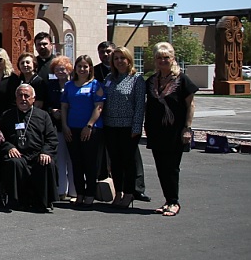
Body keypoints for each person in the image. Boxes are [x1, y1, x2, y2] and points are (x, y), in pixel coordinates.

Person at [145, 41, 197, 217]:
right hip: (156, 131)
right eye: (159, 58)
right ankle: (167, 200)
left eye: (166, 57)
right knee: (161, 168)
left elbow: (190, 105)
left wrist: (187, 128)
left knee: (172, 168)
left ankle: (174, 202)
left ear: (173, 58)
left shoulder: (182, 80)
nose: (162, 61)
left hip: (175, 131)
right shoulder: (152, 80)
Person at [0, 84, 58, 213]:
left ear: (33, 99)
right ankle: (18, 201)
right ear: (15, 98)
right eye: (20, 95)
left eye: (27, 96)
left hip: (37, 154)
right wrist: (9, 147)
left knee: (46, 162)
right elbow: (0, 137)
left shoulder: (43, 115)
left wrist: (45, 152)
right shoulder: (7, 115)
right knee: (13, 162)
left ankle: (42, 202)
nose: (23, 99)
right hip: (18, 154)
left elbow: (52, 138)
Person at [101, 47, 146, 208]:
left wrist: (137, 127)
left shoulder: (136, 79)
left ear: (128, 60)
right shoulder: (109, 78)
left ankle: (129, 193)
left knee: (128, 162)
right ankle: (118, 192)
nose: (119, 61)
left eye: (122, 58)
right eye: (116, 58)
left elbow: (140, 106)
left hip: (128, 127)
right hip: (110, 126)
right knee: (115, 162)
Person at [60, 54, 106, 207]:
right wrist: (65, 126)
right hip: (72, 128)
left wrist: (89, 125)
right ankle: (79, 193)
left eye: (85, 66)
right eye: (79, 66)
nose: (82, 69)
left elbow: (99, 107)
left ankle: (90, 193)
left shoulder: (96, 85)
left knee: (90, 163)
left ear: (90, 68)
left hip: (91, 129)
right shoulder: (69, 86)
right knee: (76, 163)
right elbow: (64, 107)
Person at [38, 55, 76, 204]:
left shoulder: (73, 85)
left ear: (69, 69)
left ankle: (74, 191)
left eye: (64, 69)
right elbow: (46, 103)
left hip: (72, 126)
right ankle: (61, 190)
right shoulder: (51, 86)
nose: (61, 71)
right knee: (59, 158)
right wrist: (52, 111)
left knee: (72, 159)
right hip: (56, 126)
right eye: (58, 69)